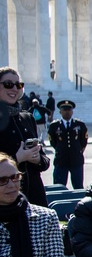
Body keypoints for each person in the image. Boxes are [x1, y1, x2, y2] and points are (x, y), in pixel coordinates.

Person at [0, 68, 49, 207]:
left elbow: (44, 162)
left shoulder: (27, 117)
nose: (14, 88)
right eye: (8, 84)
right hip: (5, 199)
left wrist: (37, 158)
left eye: (19, 85)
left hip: (34, 196)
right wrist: (17, 159)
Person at [47, 100, 88, 189]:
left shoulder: (80, 125)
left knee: (78, 187)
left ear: (72, 111)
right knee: (58, 187)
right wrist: (61, 149)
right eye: (64, 109)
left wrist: (77, 150)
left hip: (76, 160)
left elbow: (84, 141)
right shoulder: (54, 126)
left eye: (69, 109)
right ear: (60, 111)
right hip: (61, 160)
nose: (67, 112)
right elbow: (53, 142)